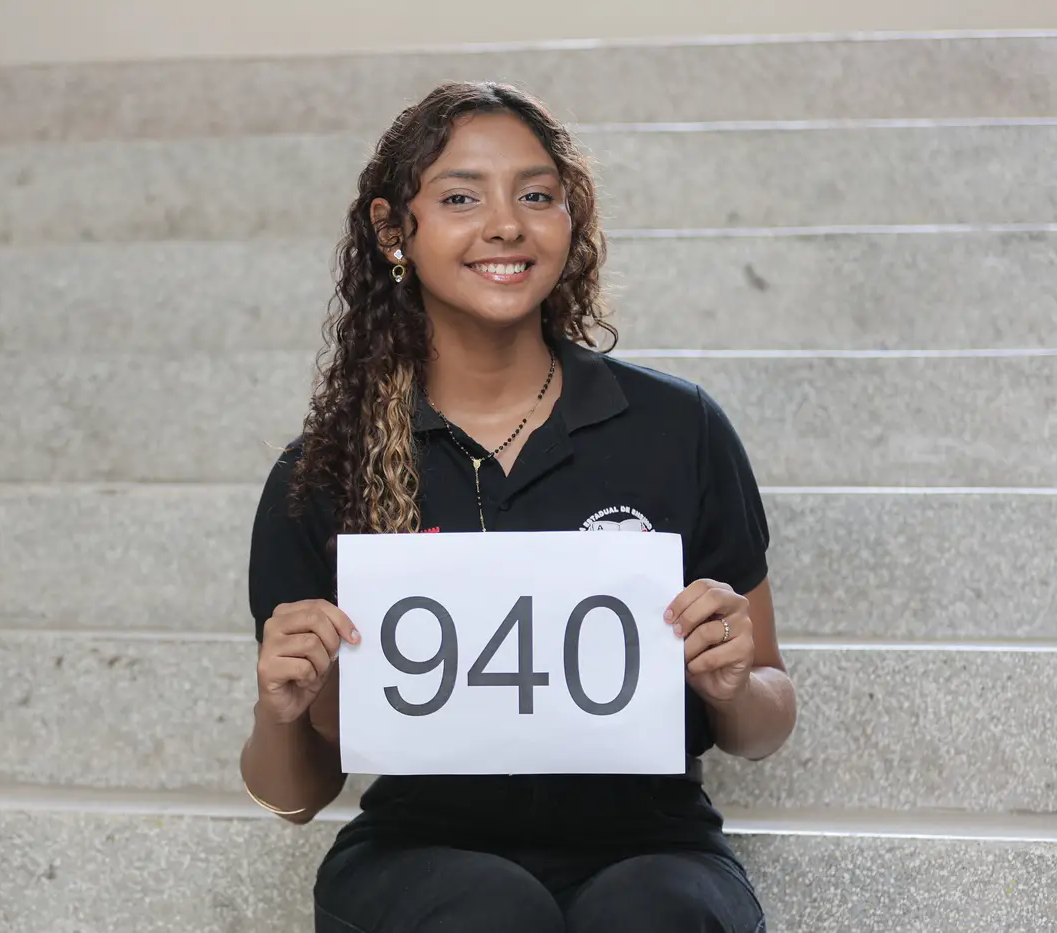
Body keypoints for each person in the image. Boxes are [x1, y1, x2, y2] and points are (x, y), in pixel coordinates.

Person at [241, 80, 797, 933]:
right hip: (421, 852)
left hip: (655, 845)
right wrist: (280, 712)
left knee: (651, 913)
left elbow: (763, 722)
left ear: (569, 220)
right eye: (461, 197)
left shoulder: (677, 426)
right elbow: (295, 794)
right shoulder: (322, 472)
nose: (506, 224)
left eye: (537, 195)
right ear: (395, 230)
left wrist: (731, 682)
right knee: (488, 911)